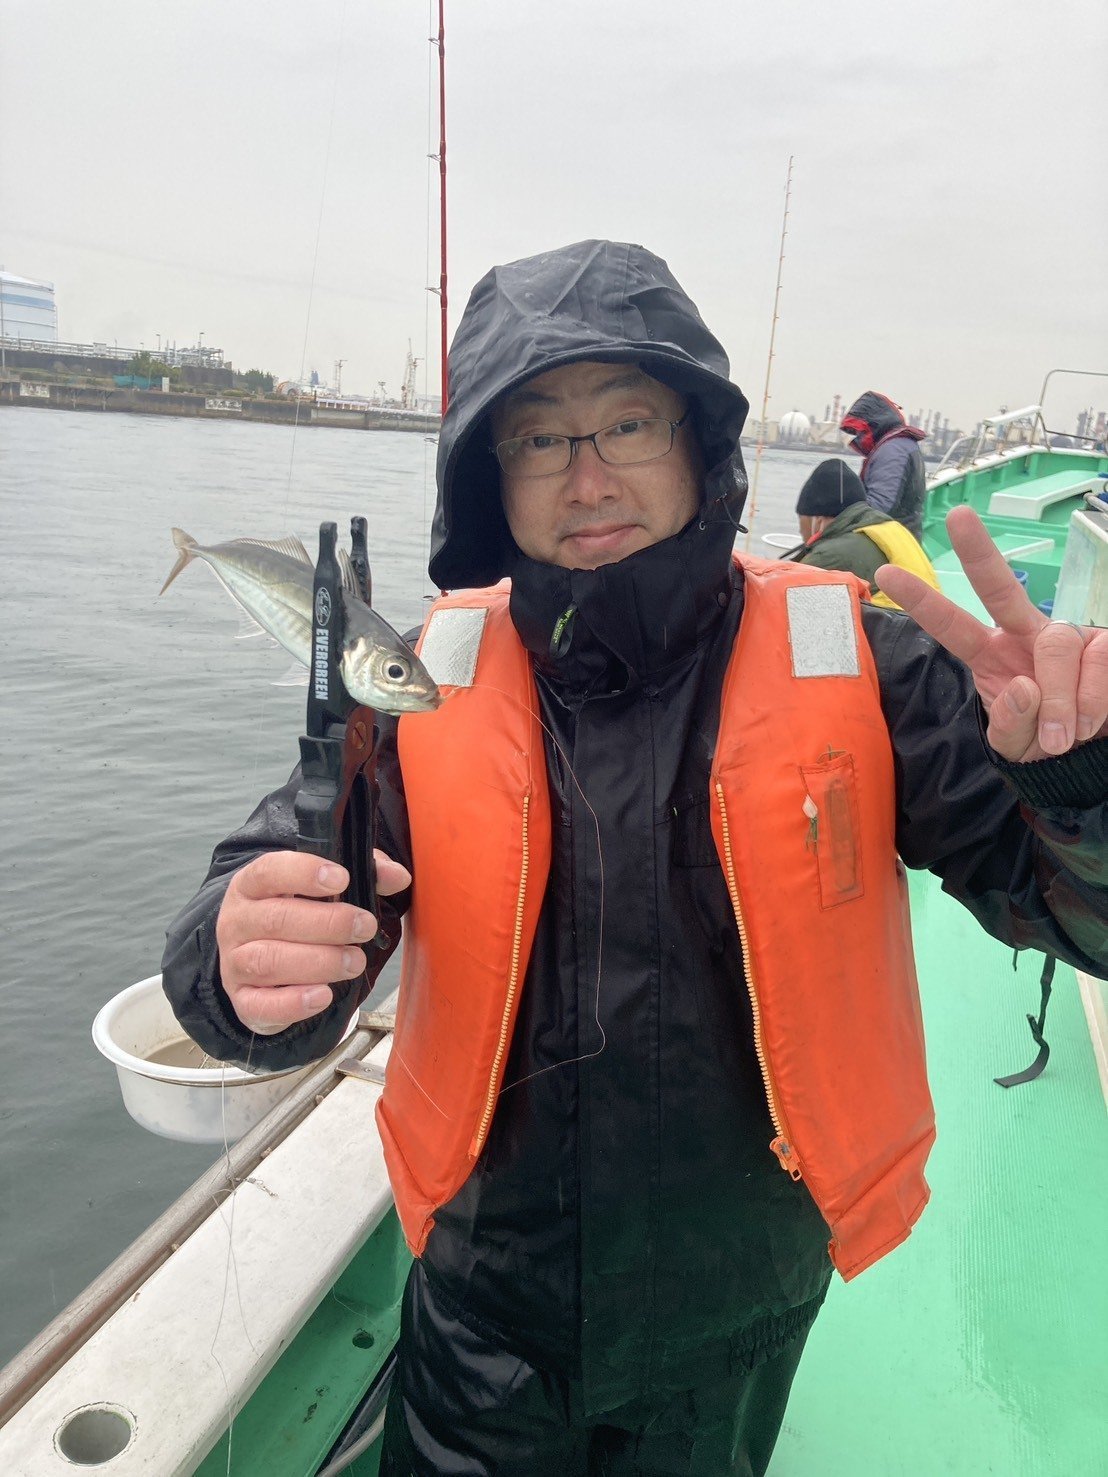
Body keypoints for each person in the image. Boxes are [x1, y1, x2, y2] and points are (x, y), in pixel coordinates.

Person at [162, 239, 1108, 1476]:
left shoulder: (868, 664)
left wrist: (1077, 785)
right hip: (479, 1306)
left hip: (740, 1306)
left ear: (697, 444)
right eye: (536, 438)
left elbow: (1075, 913)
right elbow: (280, 875)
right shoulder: (419, 682)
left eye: (626, 423)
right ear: (489, 479)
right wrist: (237, 955)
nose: (586, 475)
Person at [782, 456, 942, 607]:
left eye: (801, 518)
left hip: (892, 626)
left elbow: (785, 594)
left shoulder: (829, 555)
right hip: (921, 622)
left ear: (817, 519)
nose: (800, 530)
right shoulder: (888, 527)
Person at [840, 389, 928, 539]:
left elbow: (880, 506)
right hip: (903, 533)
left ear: (873, 425)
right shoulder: (901, 445)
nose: (858, 437)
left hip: (893, 540)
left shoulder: (893, 450)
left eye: (860, 432)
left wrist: (840, 518)